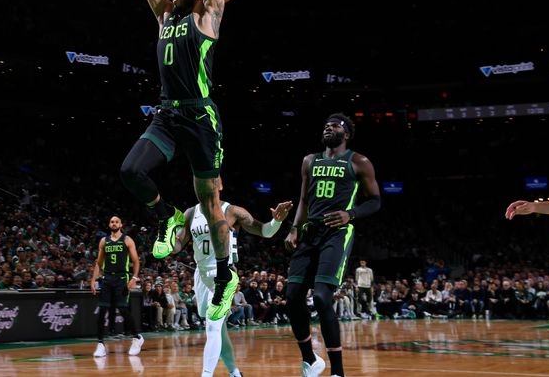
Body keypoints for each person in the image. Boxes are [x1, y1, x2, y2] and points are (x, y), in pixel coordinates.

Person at [119, 0, 240, 321]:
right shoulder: (165, 17)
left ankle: (225, 275)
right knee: (130, 171)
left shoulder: (208, 17)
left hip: (200, 118)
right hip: (167, 115)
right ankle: (167, 216)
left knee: (209, 204)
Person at [284, 113, 382, 377]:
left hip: (337, 234)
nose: (329, 127)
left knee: (321, 296)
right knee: (292, 295)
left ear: (346, 133)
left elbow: (375, 201)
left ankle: (338, 372)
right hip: (309, 232)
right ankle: (310, 359)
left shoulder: (359, 161)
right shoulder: (309, 161)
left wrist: (350, 214)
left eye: (335, 125)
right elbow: (303, 199)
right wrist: (294, 228)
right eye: (326, 124)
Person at [165, 178, 292, 376]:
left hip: (223, 273)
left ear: (221, 185)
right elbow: (178, 246)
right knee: (218, 330)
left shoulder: (232, 211)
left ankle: (206, 374)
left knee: (213, 327)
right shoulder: (191, 213)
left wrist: (277, 220)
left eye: (213, 180)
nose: (207, 183)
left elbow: (265, 231)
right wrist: (166, 239)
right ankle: (235, 372)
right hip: (201, 274)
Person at [91, 216, 143, 358]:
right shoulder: (104, 241)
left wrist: (134, 278)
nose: (114, 223)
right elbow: (99, 263)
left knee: (123, 309)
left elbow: (136, 261)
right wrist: (93, 279)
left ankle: (137, 337)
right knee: (102, 310)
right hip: (107, 278)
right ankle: (100, 343)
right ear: (109, 225)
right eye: (111, 222)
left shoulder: (127, 240)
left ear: (121, 224)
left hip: (122, 278)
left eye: (116, 221)